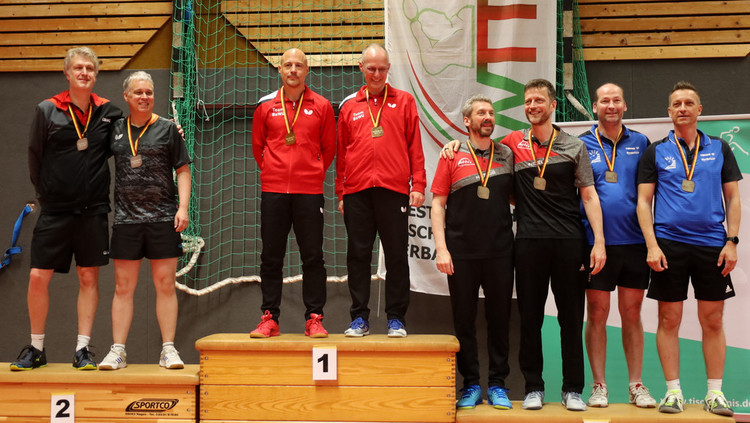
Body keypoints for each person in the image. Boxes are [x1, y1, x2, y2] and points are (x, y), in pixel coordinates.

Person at [444, 79, 606, 410]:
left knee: (571, 319)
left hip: (569, 242)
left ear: (552, 105)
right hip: (528, 243)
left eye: (538, 101)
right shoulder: (512, 145)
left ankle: (573, 389)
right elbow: (482, 148)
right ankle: (534, 387)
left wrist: (599, 241)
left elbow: (589, 196)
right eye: (528, 101)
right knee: (530, 319)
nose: (532, 106)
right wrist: (455, 144)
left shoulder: (574, 146)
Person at [11, 47, 123, 371]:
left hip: (93, 211)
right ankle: (36, 349)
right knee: (37, 277)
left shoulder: (109, 111)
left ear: (96, 75)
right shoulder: (47, 109)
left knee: (88, 277)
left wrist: (171, 131)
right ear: (67, 73)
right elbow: (35, 156)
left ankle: (82, 350)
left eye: (90, 68)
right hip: (56, 210)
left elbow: (131, 138)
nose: (84, 72)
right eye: (79, 68)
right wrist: (46, 193)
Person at [636, 81, 740, 417]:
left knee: (713, 319)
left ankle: (715, 393)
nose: (683, 108)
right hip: (668, 246)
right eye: (677, 104)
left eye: (689, 103)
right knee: (669, 318)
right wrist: (652, 245)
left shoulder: (720, 148)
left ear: (699, 110)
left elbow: (733, 198)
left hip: (712, 245)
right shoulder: (655, 151)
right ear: (669, 112)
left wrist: (732, 241)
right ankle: (673, 393)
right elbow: (643, 202)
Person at [98, 71, 191, 370]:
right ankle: (118, 351)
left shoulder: (168, 129)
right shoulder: (114, 129)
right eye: (138, 92)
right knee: (123, 287)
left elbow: (183, 170)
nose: (144, 97)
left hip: (163, 218)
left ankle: (168, 350)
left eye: (149, 92)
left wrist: (183, 208)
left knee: (165, 285)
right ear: (126, 96)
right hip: (126, 220)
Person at [336, 43, 426, 337]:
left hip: (393, 190)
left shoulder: (405, 101)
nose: (377, 74)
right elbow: (341, 153)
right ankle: (359, 319)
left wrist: (418, 184)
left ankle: (396, 318)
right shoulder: (349, 106)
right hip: (357, 192)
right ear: (361, 68)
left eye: (382, 69)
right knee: (358, 256)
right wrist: (341, 193)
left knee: (397, 255)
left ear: (389, 69)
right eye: (371, 68)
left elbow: (415, 146)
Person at [431, 95, 514, 410]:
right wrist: (442, 249)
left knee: (499, 320)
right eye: (481, 113)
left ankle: (497, 384)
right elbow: (438, 204)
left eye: (491, 112)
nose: (488, 117)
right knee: (464, 321)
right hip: (461, 253)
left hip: (500, 252)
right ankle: (470, 385)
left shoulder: (506, 154)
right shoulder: (451, 155)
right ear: (467, 121)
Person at [249, 48, 336, 338]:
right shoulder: (265, 106)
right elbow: (258, 147)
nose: (293, 70)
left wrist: (311, 172)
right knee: (271, 257)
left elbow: (329, 148)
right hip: (273, 191)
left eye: (299, 65)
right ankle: (269, 318)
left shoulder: (322, 105)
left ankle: (314, 318)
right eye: (288, 65)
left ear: (307, 70)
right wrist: (273, 171)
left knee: (313, 257)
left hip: (309, 192)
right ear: (280, 70)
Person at [579, 83, 656, 408]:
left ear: (624, 106)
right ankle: (599, 386)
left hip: (635, 242)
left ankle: (636, 384)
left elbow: (650, 193)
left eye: (616, 100)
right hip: (595, 245)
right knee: (597, 313)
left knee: (632, 313)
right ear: (595, 107)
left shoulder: (641, 142)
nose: (610, 105)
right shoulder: (581, 144)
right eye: (604, 101)